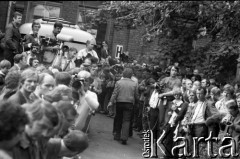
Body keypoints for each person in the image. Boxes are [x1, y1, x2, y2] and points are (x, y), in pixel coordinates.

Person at [108, 68, 139, 145]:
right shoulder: (134, 84)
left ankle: (117, 135)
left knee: (119, 119)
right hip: (129, 103)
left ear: (123, 74)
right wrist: (137, 102)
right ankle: (124, 137)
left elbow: (114, 93)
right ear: (131, 75)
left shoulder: (119, 82)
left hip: (119, 102)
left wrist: (111, 102)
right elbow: (136, 95)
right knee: (127, 120)